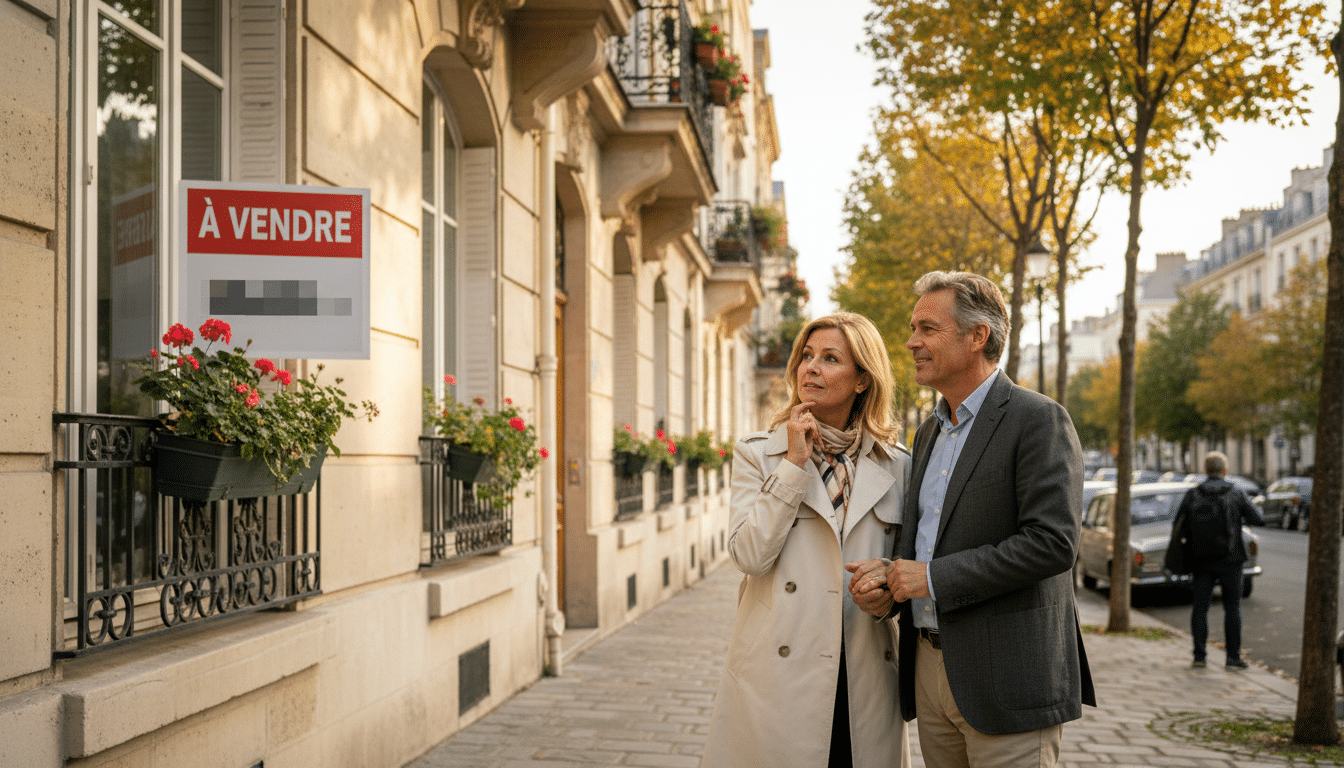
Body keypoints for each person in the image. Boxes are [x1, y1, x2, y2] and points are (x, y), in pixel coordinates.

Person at [848, 271, 1095, 768]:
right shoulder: (929, 433)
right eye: (913, 328)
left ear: (978, 335)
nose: (911, 342)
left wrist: (931, 578)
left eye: (927, 329)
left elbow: (1052, 543)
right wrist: (889, 581)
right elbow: (928, 545)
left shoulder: (1037, 419)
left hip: (1008, 680)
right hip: (929, 673)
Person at [703, 312, 911, 768]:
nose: (811, 368)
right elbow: (749, 556)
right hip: (780, 673)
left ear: (862, 379)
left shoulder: (897, 465)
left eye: (830, 358)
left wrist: (887, 596)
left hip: (862, 673)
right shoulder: (759, 453)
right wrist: (793, 466)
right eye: (807, 356)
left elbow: (904, 570)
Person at [1165, 451, 1264, 669]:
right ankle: (1233, 658)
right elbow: (1259, 519)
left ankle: (1199, 656)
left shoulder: (1193, 494)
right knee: (1233, 607)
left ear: (1205, 470)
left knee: (1200, 607)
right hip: (1231, 559)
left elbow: (1178, 524)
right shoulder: (1235, 493)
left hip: (1200, 560)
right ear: (1225, 471)